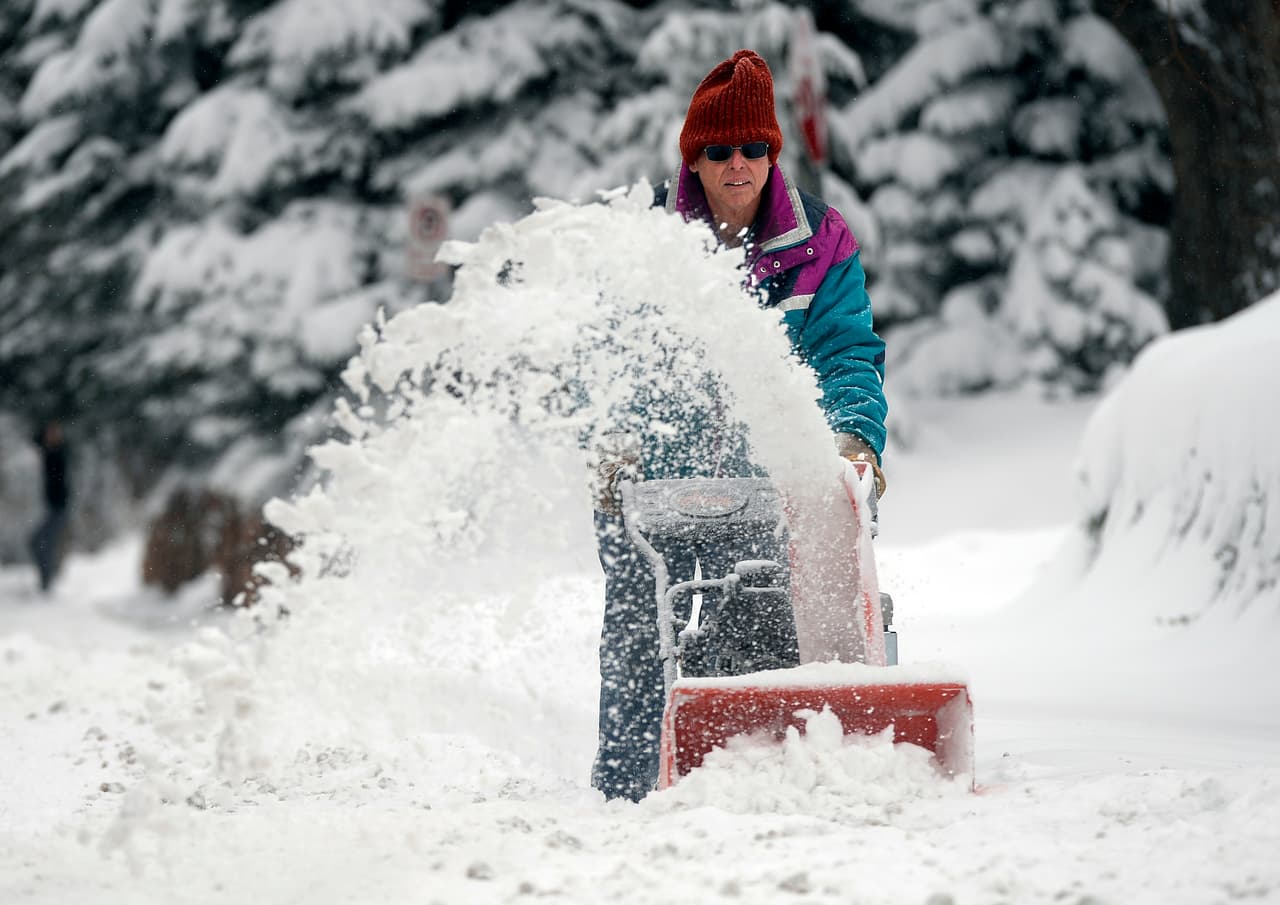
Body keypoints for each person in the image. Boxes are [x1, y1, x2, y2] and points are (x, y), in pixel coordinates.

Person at [589, 50, 889, 801]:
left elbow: (847, 353)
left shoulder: (821, 243)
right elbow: (610, 352)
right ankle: (628, 793)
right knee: (638, 624)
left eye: (754, 148)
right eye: (718, 151)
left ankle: (774, 781)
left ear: (772, 153)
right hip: (661, 482)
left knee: (765, 626)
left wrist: (853, 438)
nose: (737, 165)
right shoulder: (651, 239)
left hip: (768, 486)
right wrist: (615, 442)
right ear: (694, 158)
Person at [29, 420, 70, 593]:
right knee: (39, 542)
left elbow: (41, 445)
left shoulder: (58, 453)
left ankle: (47, 581)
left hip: (58, 509)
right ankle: (47, 578)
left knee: (43, 543)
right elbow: (35, 440)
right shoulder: (50, 451)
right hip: (52, 509)